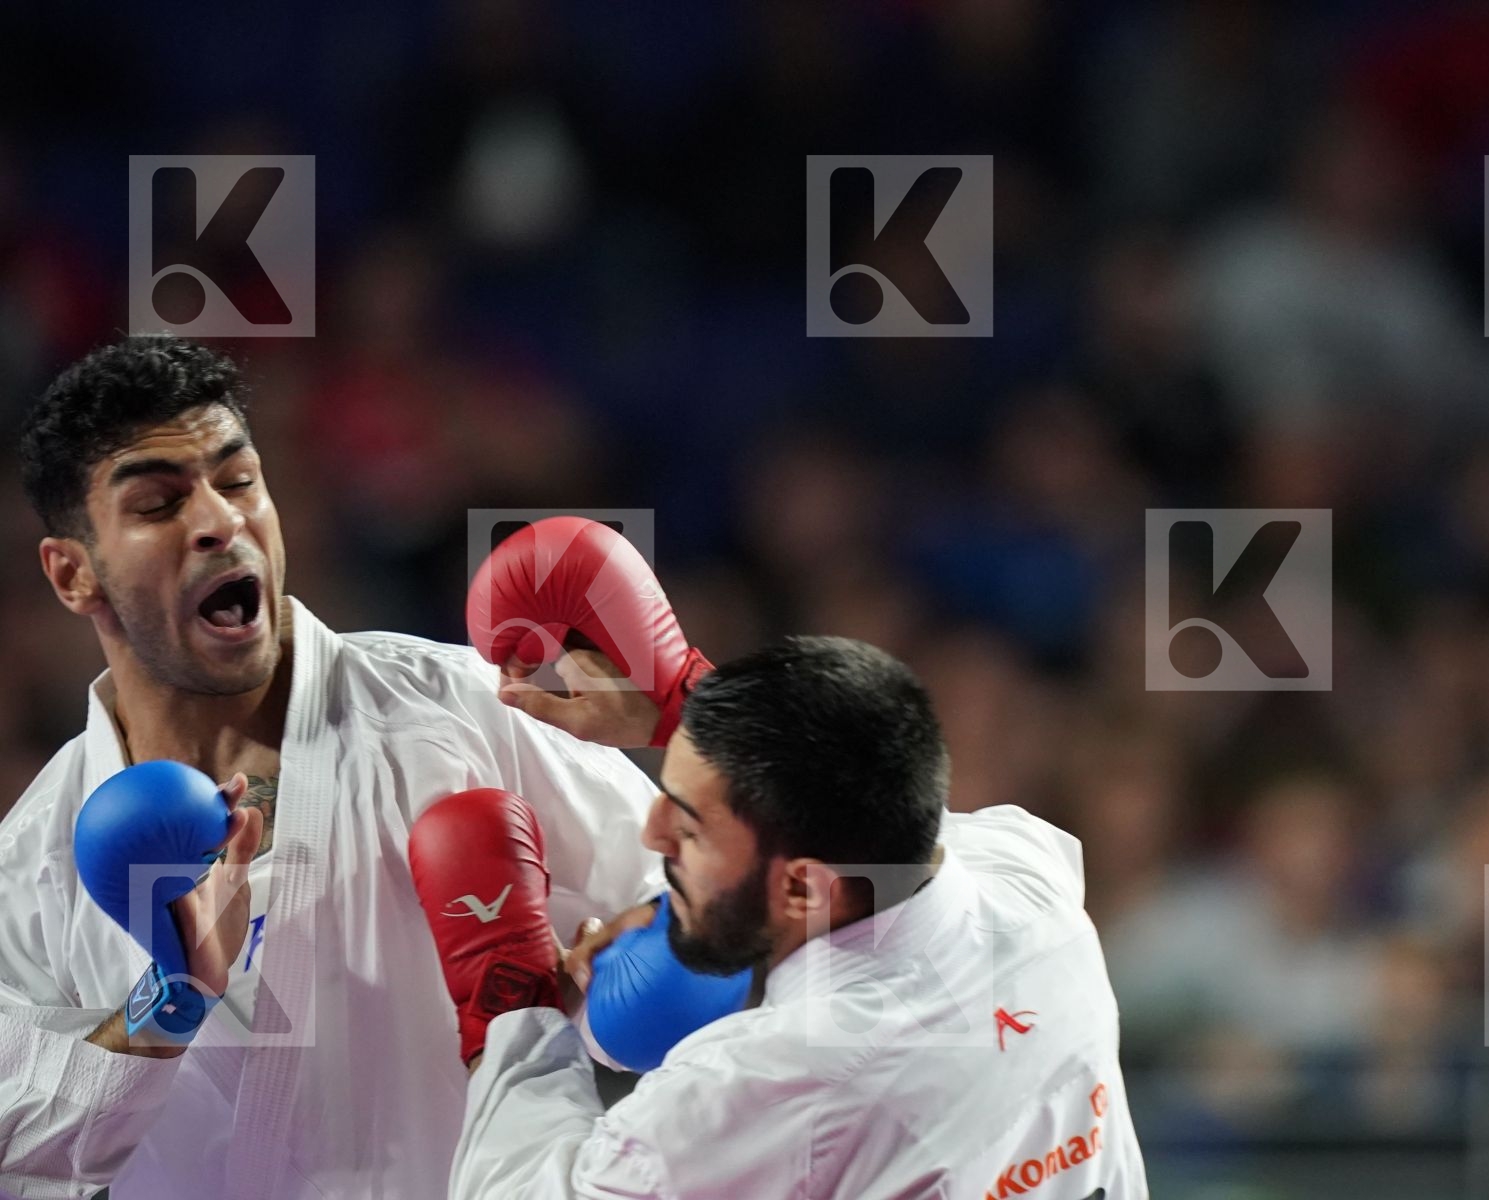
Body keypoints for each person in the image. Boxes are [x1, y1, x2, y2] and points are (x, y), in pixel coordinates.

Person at [0, 337, 679, 1198]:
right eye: (159, 503)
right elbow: (19, 1146)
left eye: (238, 480)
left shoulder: (463, 710)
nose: (220, 521)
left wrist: (609, 981)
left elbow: (708, 924)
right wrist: (167, 1004)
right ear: (72, 574)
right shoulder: (36, 860)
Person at [436, 635, 1150, 1198]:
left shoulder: (778, 1082)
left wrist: (506, 1000)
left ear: (806, 892)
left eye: (686, 827)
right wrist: (703, 713)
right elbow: (881, 795)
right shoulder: (1029, 887)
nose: (651, 835)